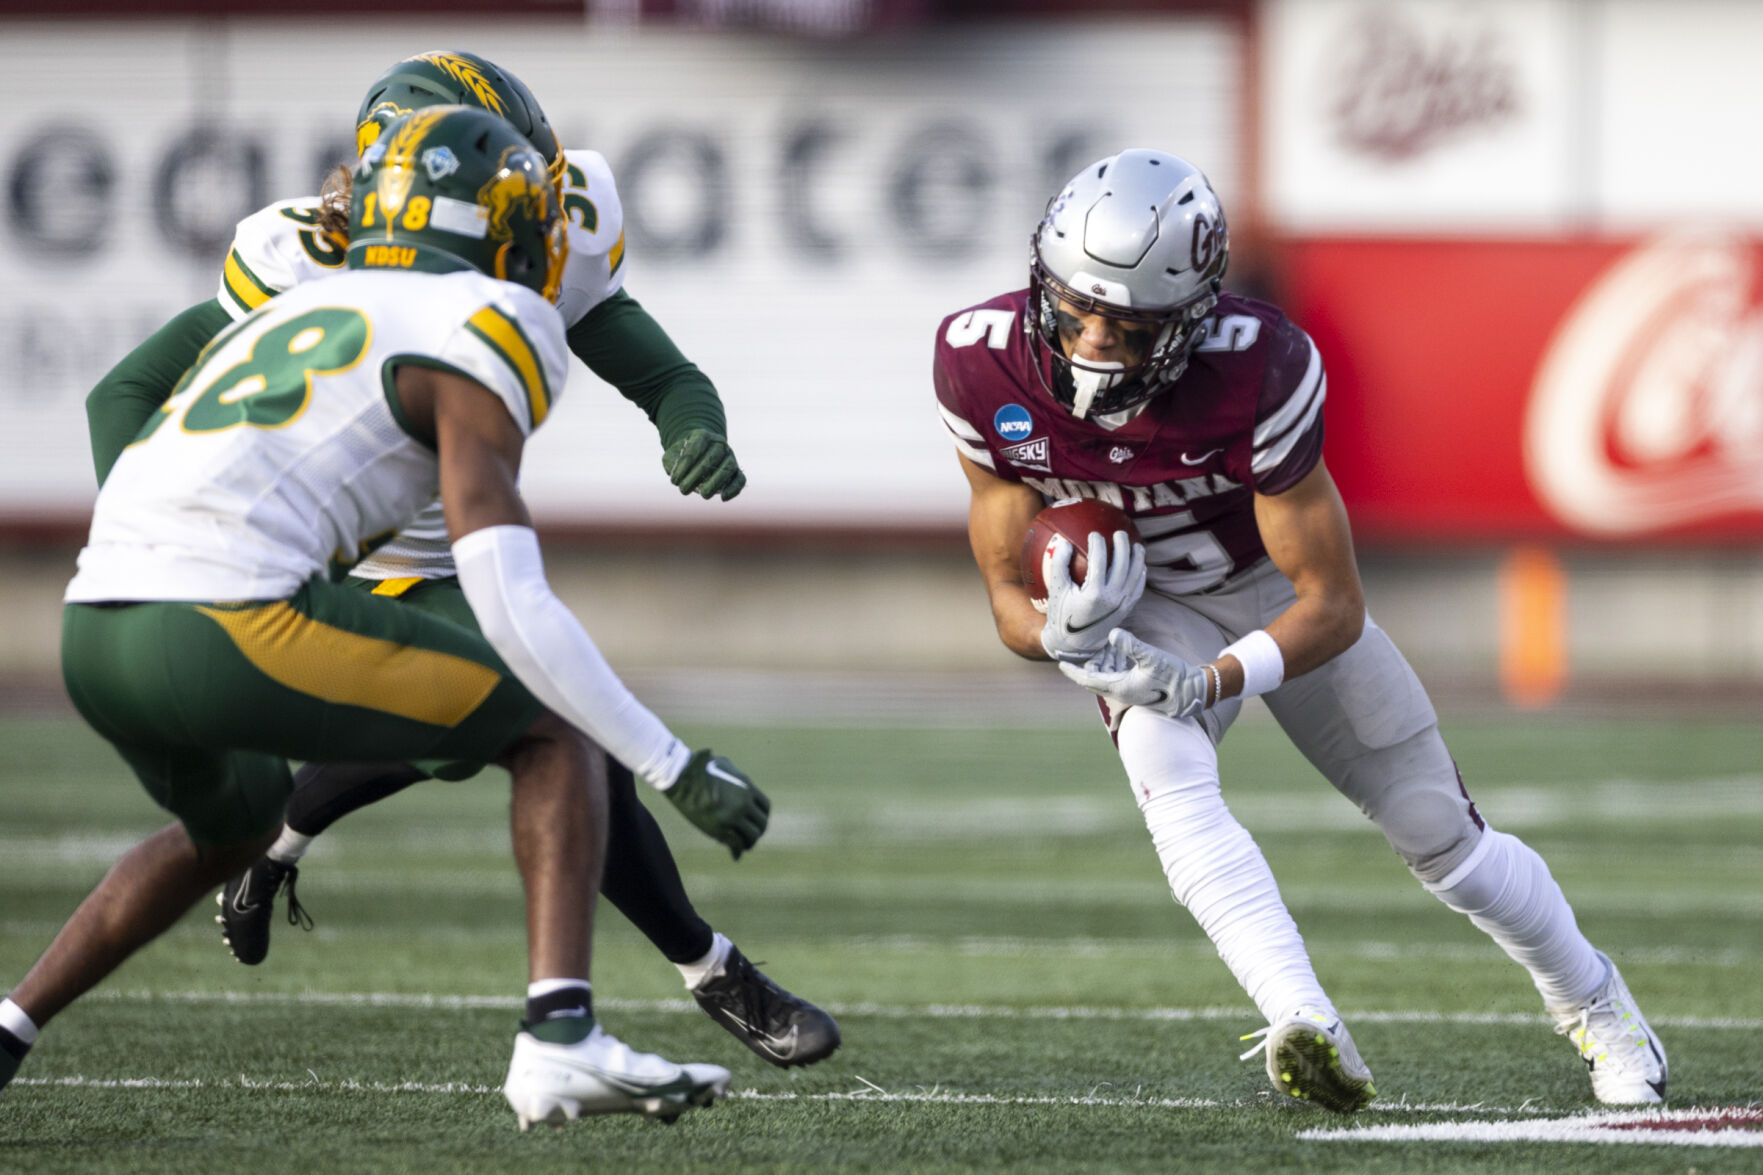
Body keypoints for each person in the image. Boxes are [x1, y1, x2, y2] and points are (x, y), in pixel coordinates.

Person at [81, 50, 838, 1070]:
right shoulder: (300, 253)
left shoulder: (556, 233)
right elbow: (119, 398)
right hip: (321, 552)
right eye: (503, 189)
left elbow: (665, 374)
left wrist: (689, 428)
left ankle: (270, 850)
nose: (533, 213)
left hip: (457, 537)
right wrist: (159, 537)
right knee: (554, 721)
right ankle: (704, 974)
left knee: (486, 716)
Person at [933, 148, 1667, 1113]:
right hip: (1145, 601)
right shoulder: (978, 358)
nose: (1093, 341)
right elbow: (1001, 594)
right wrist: (1061, 636)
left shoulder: (1259, 368)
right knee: (1167, 772)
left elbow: (1330, 600)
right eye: (1075, 308)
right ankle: (1304, 1020)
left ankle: (1593, 997)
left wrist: (1216, 680)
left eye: (1129, 323)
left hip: (1269, 593)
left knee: (1437, 834)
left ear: (1190, 315)